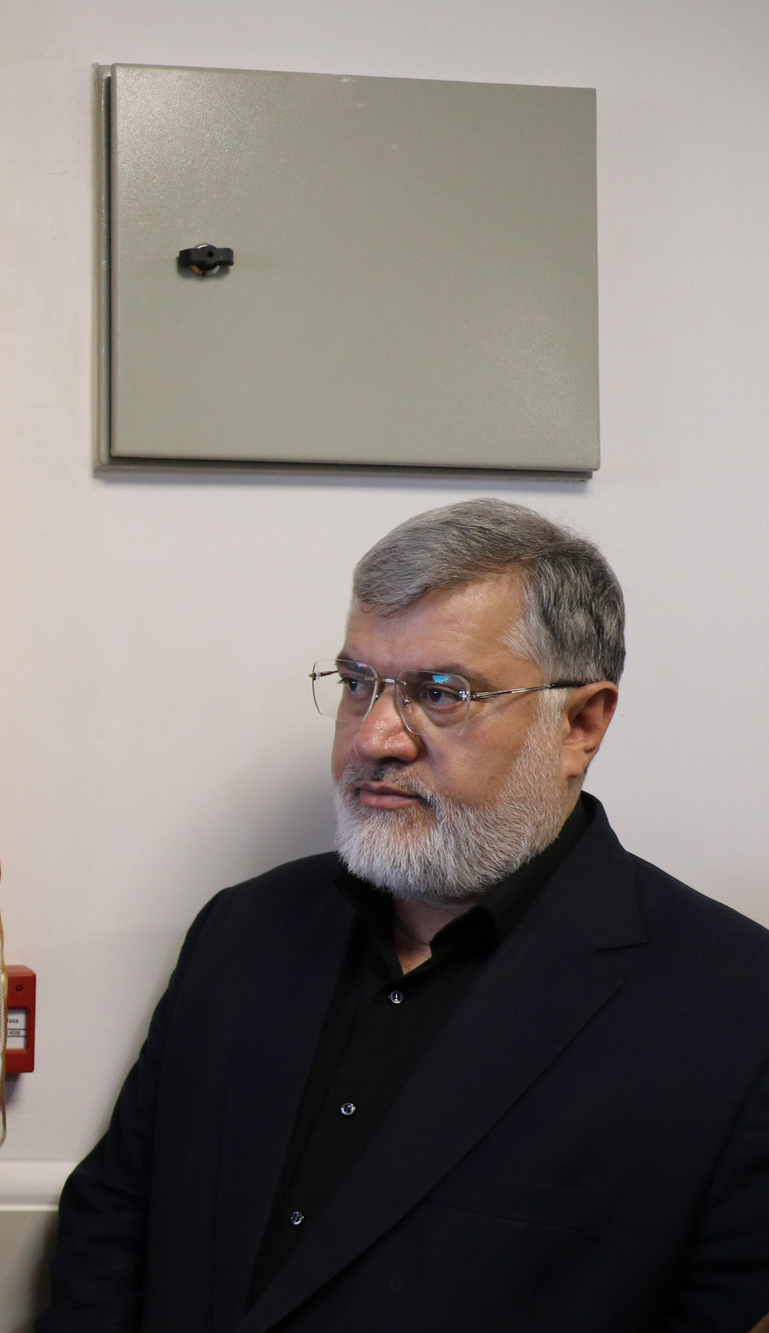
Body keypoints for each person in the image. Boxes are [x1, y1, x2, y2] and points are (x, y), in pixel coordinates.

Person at [40, 499, 769, 1333]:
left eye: (441, 693)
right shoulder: (241, 930)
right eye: (358, 684)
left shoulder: (734, 1007)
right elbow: (114, 1223)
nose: (376, 737)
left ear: (580, 724)